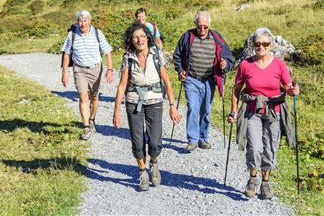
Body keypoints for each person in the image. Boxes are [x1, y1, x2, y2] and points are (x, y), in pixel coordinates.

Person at [227, 27, 300, 200]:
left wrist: (294, 91)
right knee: (254, 148)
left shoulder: (279, 65)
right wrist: (234, 110)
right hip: (252, 111)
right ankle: (252, 180)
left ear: (271, 45)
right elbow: (236, 89)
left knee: (270, 149)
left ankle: (265, 184)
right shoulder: (246, 65)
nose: (261, 47)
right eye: (257, 44)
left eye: (265, 44)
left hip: (274, 112)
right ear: (253, 45)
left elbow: (288, 89)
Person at [113, 23, 181, 191]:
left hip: (155, 100)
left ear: (147, 38)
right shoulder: (128, 57)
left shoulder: (156, 54)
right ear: (131, 40)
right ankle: (142, 171)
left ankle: (154, 162)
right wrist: (116, 111)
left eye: (142, 36)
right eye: (136, 37)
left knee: (156, 141)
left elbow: (166, 80)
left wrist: (172, 106)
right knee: (137, 141)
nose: (139, 40)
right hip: (134, 101)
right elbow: (122, 85)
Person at [173, 11, 234, 153]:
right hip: (191, 79)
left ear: (209, 25)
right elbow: (177, 56)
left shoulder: (217, 38)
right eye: (199, 26)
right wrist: (180, 69)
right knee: (193, 107)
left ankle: (203, 138)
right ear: (195, 24)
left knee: (206, 110)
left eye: (205, 27)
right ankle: (193, 140)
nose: (202, 29)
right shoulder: (187, 37)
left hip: (209, 80)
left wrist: (225, 64)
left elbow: (229, 57)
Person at [61, 10, 114, 140]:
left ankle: (92, 119)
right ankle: (86, 127)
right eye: (80, 21)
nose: (82, 23)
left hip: (96, 68)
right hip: (79, 69)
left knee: (94, 96)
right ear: (77, 22)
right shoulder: (72, 34)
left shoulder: (97, 33)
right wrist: (64, 73)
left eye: (85, 20)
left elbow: (107, 52)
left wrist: (110, 69)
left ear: (89, 21)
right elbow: (67, 54)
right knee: (83, 96)